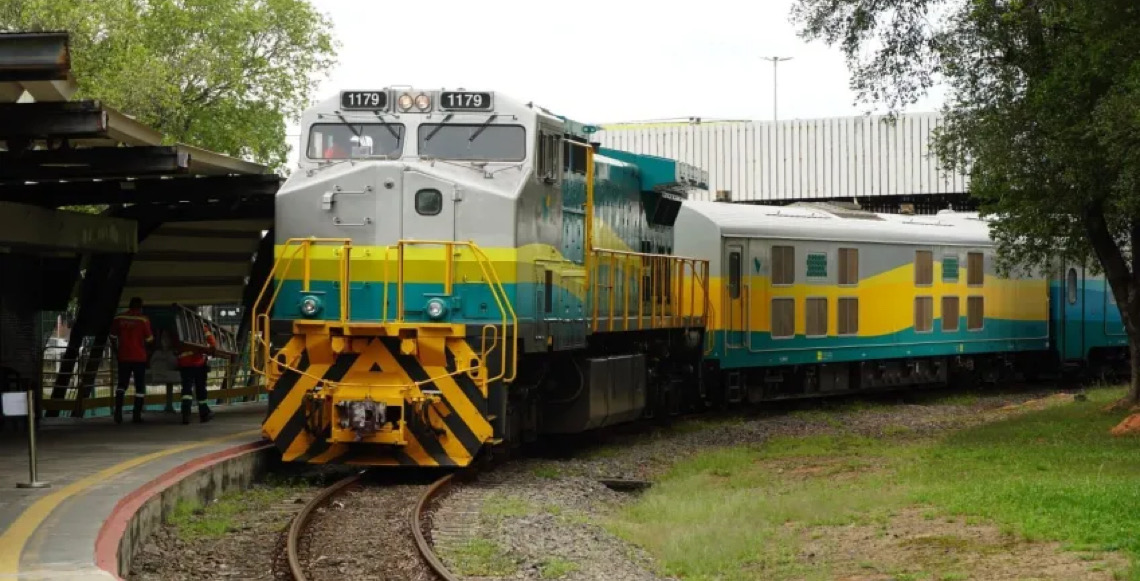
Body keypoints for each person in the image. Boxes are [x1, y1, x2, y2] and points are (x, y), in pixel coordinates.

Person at [109, 297, 154, 424]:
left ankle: (118, 413)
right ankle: (136, 415)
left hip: (123, 356)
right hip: (139, 357)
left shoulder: (119, 318)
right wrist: (148, 354)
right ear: (140, 307)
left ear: (129, 306)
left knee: (122, 385)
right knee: (140, 387)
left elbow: (112, 336)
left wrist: (116, 351)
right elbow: (150, 340)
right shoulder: (143, 320)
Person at [176, 322, 217, 424]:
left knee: (186, 390)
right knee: (201, 389)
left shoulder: (180, 326)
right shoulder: (201, 327)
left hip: (184, 363)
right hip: (198, 363)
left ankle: (186, 414)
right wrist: (207, 350)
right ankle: (204, 414)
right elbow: (212, 344)